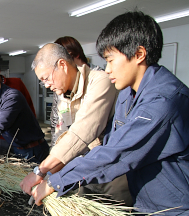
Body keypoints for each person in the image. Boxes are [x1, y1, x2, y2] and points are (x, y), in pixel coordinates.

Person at [32, 11, 189, 216]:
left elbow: (118, 153)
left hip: (175, 215)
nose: (107, 69)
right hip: (145, 205)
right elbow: (109, 145)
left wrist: (55, 181)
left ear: (139, 54)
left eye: (110, 60)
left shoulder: (163, 101)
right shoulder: (127, 93)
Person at [20, 43, 132, 205]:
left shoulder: (100, 81)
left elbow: (82, 133)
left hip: (110, 174)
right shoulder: (62, 95)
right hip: (80, 173)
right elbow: (60, 139)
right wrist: (50, 176)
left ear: (62, 65)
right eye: (42, 82)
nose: (46, 85)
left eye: (46, 78)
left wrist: (41, 171)